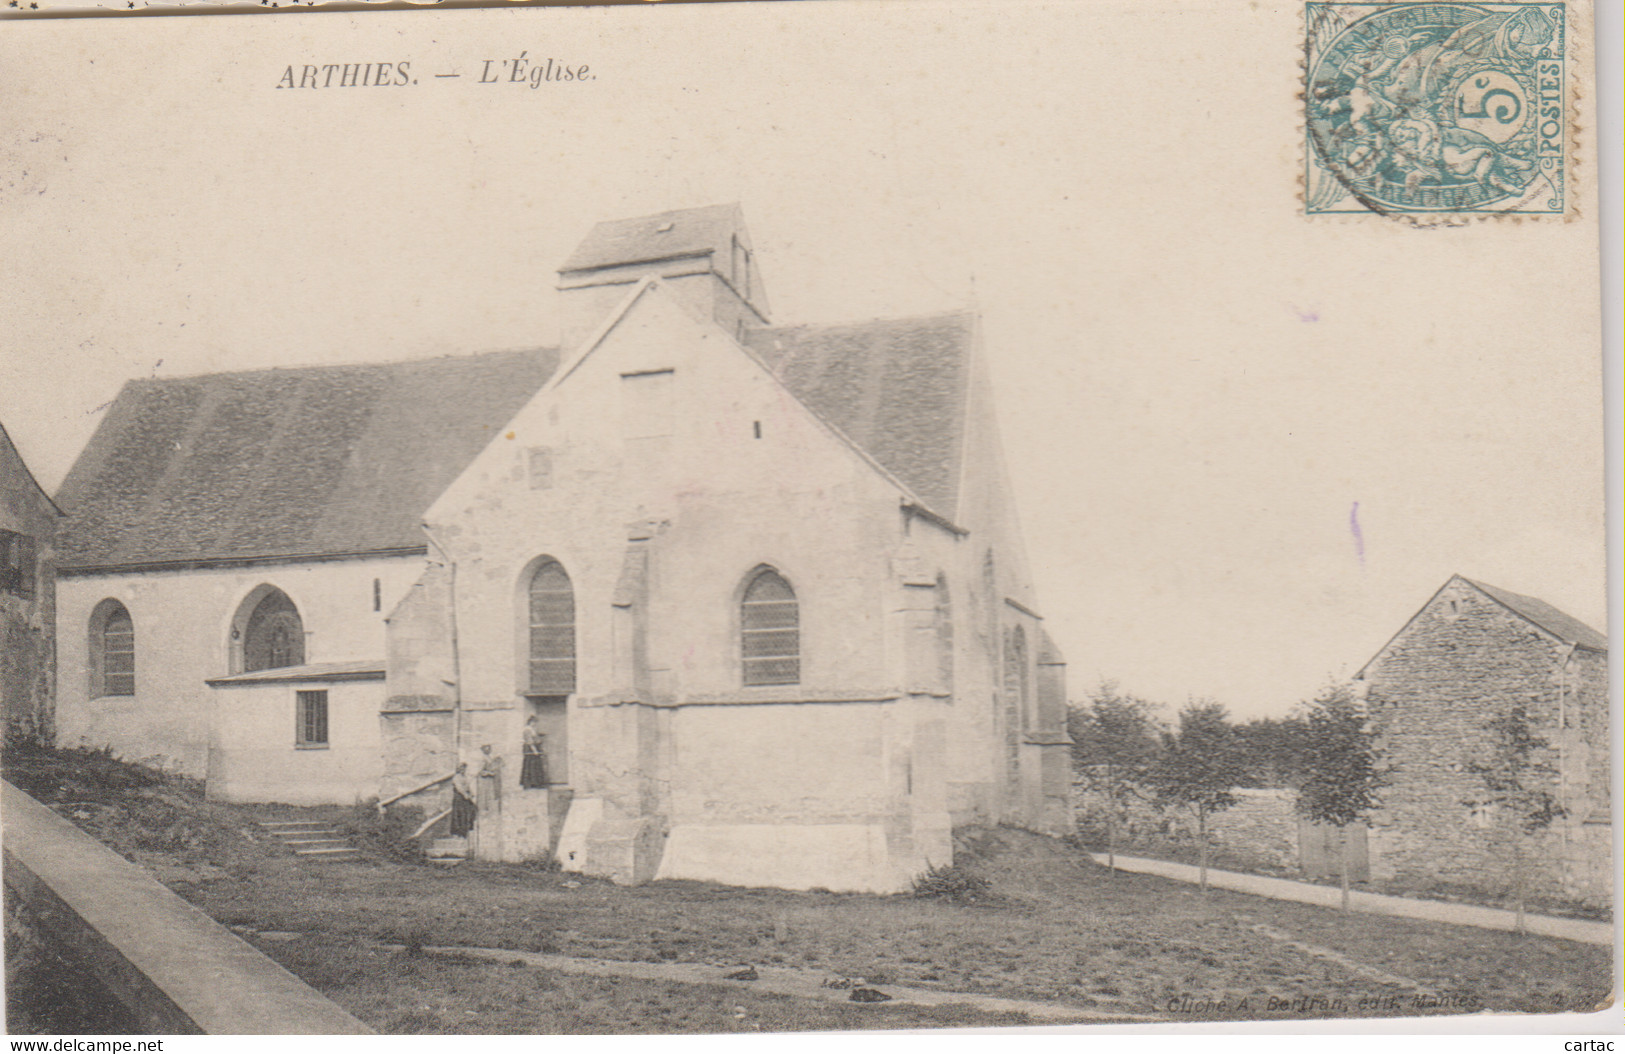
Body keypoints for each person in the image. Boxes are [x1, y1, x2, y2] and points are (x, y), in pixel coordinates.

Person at [520, 715, 549, 789]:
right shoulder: (527, 730)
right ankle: (530, 783)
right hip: (530, 750)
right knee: (531, 766)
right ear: (530, 722)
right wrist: (534, 750)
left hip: (534, 748)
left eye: (535, 722)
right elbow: (529, 741)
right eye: (534, 722)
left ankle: (537, 782)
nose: (535, 724)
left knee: (536, 766)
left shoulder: (532, 729)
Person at [449, 762, 476, 837]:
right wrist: (465, 794)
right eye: (461, 768)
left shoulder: (464, 777)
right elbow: (459, 788)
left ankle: (468, 829)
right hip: (459, 798)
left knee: (472, 809)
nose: (463, 770)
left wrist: (471, 793)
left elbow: (468, 787)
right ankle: (459, 833)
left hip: (465, 797)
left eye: (464, 768)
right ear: (458, 769)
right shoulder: (456, 777)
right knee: (460, 814)